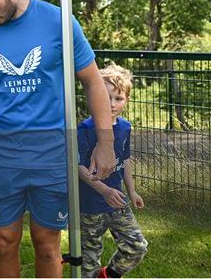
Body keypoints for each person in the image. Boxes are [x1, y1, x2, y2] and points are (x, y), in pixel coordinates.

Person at [0, 0, 116, 277]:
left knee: (46, 242)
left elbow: (93, 81)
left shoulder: (59, 22)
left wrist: (106, 142)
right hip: (2, 151)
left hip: (53, 150)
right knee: (3, 239)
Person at [78, 64, 148, 278]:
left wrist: (132, 191)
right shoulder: (85, 129)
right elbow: (78, 167)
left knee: (137, 246)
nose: (112, 103)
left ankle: (108, 274)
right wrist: (103, 191)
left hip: (118, 202)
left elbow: (124, 160)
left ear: (127, 100)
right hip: (90, 207)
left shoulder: (125, 127)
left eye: (118, 98)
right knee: (89, 261)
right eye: (106, 97)